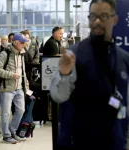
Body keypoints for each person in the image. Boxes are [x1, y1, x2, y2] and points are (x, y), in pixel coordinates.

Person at [50, 0, 129, 150]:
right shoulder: (74, 54)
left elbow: (125, 102)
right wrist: (64, 73)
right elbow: (58, 96)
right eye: (93, 16)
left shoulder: (123, 59)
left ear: (115, 19)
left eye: (104, 16)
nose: (98, 21)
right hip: (76, 141)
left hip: (113, 141)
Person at [0, 33, 29, 144]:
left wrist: (26, 86)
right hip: (7, 88)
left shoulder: (21, 54)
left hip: (19, 88)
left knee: (21, 110)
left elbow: (23, 71)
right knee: (6, 113)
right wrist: (11, 75)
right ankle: (6, 135)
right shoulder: (5, 53)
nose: (24, 45)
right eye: (22, 43)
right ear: (15, 42)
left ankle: (13, 131)